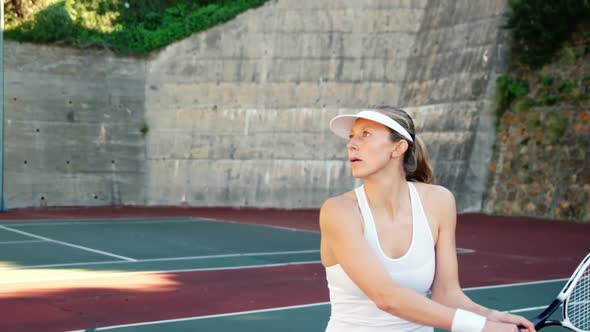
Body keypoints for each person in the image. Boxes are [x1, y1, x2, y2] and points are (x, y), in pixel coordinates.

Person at [320, 106, 535, 332]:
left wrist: (495, 317)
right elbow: (386, 297)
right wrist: (483, 327)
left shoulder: (438, 202)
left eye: (366, 134)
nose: (351, 144)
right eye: (352, 136)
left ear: (398, 147)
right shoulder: (339, 211)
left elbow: (447, 295)